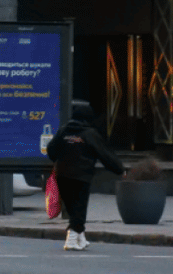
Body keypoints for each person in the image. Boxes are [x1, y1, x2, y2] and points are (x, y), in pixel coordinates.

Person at [45, 100, 126, 251]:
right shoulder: (90, 134)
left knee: (72, 208)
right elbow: (105, 155)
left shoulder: (63, 131)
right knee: (79, 208)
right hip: (82, 176)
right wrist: (120, 170)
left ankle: (81, 239)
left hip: (62, 175)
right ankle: (71, 238)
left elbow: (51, 150)